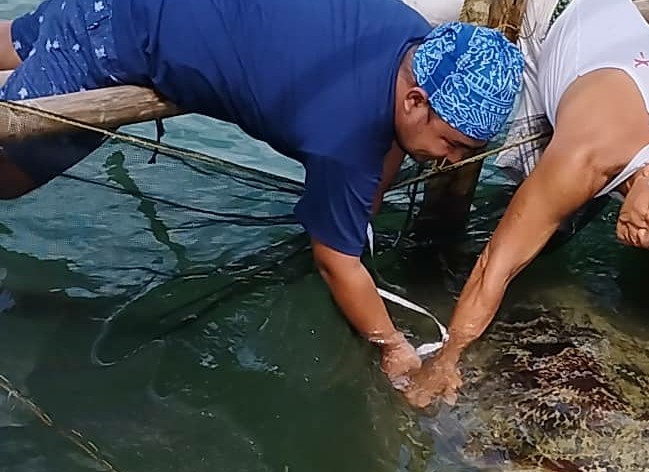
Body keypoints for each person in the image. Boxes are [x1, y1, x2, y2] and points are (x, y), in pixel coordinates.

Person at [0, 0, 524, 385]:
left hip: (128, 8)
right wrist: (395, 351)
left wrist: (361, 209)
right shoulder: (345, 135)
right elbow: (335, 260)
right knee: (10, 174)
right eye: (452, 143)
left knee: (22, 44)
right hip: (120, 28)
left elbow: (383, 150)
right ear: (415, 101)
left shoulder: (413, 39)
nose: (453, 161)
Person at [402, 0, 649, 448]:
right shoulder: (587, 157)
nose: (644, 238)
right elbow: (498, 263)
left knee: (555, 220)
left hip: (606, 47)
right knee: (523, 209)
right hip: (546, 21)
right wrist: (448, 357)